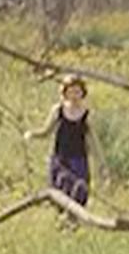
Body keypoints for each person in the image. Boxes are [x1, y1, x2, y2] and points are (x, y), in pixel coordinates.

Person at [40, 75, 95, 206]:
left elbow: (93, 140)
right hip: (61, 158)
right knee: (61, 190)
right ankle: (62, 220)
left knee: (79, 191)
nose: (74, 95)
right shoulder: (57, 110)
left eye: (77, 91)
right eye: (71, 92)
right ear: (65, 93)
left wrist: (102, 164)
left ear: (83, 93)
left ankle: (75, 220)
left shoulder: (86, 114)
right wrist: (31, 134)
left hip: (79, 159)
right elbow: (46, 131)